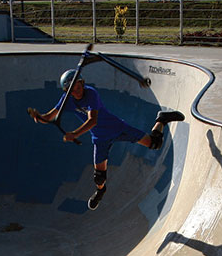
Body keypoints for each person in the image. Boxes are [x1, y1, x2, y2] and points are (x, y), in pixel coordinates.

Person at [30, 69, 185, 210]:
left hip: (117, 128)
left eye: (78, 87)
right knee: (99, 176)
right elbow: (50, 116)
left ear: (82, 84)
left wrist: (74, 134)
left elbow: (93, 121)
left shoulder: (91, 94)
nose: (77, 92)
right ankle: (100, 191)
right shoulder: (66, 99)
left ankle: (162, 119)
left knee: (154, 144)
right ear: (67, 91)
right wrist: (39, 117)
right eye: (72, 90)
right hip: (100, 138)